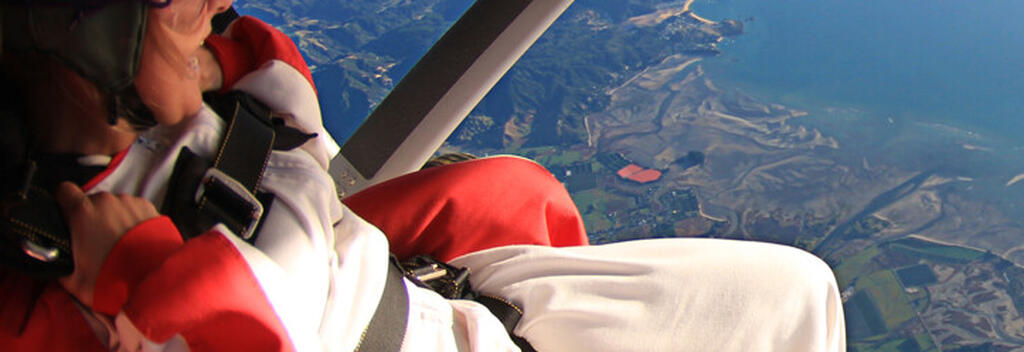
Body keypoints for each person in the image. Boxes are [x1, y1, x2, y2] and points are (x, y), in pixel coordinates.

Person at [0, 0, 846, 351]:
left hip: (449, 306)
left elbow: (282, 111)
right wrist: (137, 272)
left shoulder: (217, 95)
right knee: (788, 303)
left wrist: (221, 69)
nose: (219, 6)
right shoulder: (54, 270)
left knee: (794, 292)